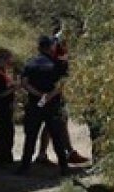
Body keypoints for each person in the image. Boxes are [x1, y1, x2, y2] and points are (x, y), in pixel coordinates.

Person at [14, 35, 71, 176]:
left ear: (39, 47)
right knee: (57, 136)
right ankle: (64, 167)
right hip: (53, 103)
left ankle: (25, 166)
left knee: (31, 136)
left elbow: (24, 83)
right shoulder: (58, 63)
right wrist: (49, 95)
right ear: (51, 47)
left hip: (35, 103)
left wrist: (39, 94)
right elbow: (62, 83)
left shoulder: (30, 63)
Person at [34, 28, 88, 166]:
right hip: (52, 93)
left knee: (61, 121)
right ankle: (44, 154)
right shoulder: (55, 53)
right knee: (52, 122)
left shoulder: (59, 51)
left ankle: (68, 152)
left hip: (56, 92)